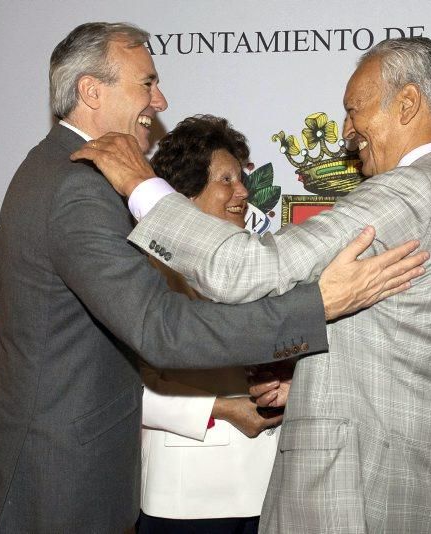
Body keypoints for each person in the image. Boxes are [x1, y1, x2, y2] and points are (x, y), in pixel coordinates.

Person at [0, 22, 427, 533]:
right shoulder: (81, 187)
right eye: (146, 83)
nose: (160, 100)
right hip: (61, 472)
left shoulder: (44, 166)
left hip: (44, 453)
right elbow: (161, 330)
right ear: (90, 91)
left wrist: (74, 345)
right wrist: (317, 304)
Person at [79, 37, 431, 533]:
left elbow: (242, 270)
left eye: (354, 110)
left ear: (407, 103)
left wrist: (141, 185)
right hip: (420, 491)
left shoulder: (413, 191)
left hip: (364, 499)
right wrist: (307, 380)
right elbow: (407, 343)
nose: (347, 132)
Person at [137, 114, 282, 534]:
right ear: (185, 196)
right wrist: (224, 409)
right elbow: (122, 386)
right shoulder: (146, 271)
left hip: (269, 489)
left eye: (242, 180)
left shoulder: (261, 259)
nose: (242, 192)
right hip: (188, 500)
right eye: (226, 181)